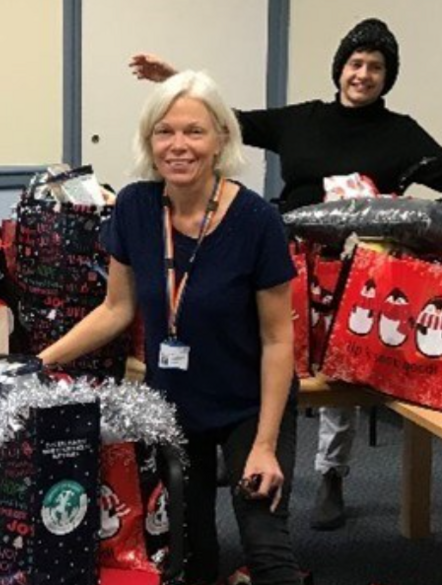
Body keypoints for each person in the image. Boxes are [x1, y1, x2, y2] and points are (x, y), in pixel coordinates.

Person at [130, 18, 442, 531]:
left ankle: (332, 474)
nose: (363, 74)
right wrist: (176, 80)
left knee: (341, 377)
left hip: (357, 280)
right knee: (266, 355)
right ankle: (238, 447)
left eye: (376, 67)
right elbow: (228, 121)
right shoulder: (304, 119)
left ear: (389, 77)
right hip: (286, 264)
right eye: (356, 63)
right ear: (340, 68)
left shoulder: (403, 133)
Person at [40, 71, 301, 585]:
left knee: (265, 545)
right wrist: (38, 362)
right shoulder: (136, 207)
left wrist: (266, 443)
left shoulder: (256, 221)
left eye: (194, 132)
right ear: (148, 140)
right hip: (176, 405)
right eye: (165, 131)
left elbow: (278, 339)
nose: (178, 145)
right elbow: (116, 309)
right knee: (191, 550)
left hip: (252, 403)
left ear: (221, 139)